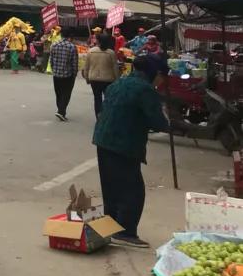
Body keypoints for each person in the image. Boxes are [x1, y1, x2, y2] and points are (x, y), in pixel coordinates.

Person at [92, 48, 170, 248]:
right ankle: (125, 231)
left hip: (103, 139)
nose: (161, 80)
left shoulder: (119, 83)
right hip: (124, 143)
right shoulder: (145, 90)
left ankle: (111, 225)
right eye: (161, 76)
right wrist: (169, 120)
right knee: (132, 190)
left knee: (111, 186)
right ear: (154, 73)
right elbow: (159, 123)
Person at [82, 32, 120, 118]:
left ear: (98, 41)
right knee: (108, 98)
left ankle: (98, 116)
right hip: (108, 80)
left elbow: (86, 67)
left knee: (97, 98)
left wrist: (87, 78)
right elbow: (115, 68)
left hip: (94, 79)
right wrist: (118, 80)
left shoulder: (91, 51)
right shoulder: (111, 53)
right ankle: (106, 116)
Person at [50, 31, 80, 121]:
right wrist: (75, 73)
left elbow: (51, 60)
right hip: (68, 75)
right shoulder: (72, 47)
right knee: (66, 93)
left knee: (58, 93)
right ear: (70, 36)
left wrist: (54, 70)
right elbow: (74, 62)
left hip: (56, 74)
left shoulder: (54, 45)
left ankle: (60, 109)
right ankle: (61, 111)